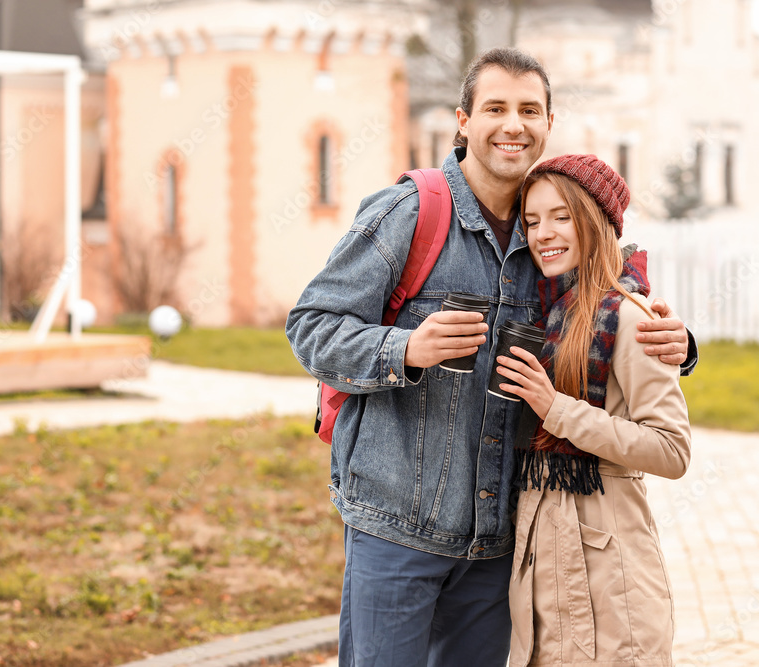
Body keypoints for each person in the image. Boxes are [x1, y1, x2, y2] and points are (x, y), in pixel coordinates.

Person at [284, 46, 697, 666]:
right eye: (495, 107)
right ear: (463, 120)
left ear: (548, 124)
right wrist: (405, 347)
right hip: (397, 529)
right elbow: (311, 326)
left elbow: (611, 303)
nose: (513, 124)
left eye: (530, 109)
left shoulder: (546, 237)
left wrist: (682, 347)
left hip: (498, 546)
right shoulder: (410, 212)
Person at [495, 154, 690, 666]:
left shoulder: (631, 316)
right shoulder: (541, 315)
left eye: (561, 216)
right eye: (532, 221)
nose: (544, 234)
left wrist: (556, 409)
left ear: (594, 219)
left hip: (612, 582)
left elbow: (672, 450)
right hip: (540, 572)